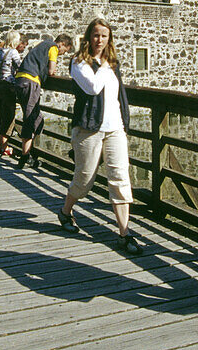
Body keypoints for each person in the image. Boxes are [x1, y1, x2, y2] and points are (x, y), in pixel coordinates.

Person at [57, 18, 142, 255]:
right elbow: (93, 87)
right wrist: (104, 67)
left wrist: (125, 122)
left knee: (120, 178)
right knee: (84, 181)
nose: (100, 40)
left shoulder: (112, 63)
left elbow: (118, 96)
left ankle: (125, 233)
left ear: (109, 38)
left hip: (114, 128)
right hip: (89, 128)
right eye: (96, 35)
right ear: (88, 37)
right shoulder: (78, 62)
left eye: (104, 36)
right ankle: (65, 211)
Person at [13, 32, 74, 168]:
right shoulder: (53, 47)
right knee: (30, 119)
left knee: (36, 118)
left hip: (21, 81)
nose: (62, 54)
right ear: (62, 44)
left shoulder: (42, 45)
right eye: (65, 50)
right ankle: (24, 156)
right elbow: (51, 70)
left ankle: (29, 153)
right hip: (30, 81)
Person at [0, 31, 26, 157]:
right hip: (8, 85)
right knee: (9, 116)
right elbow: (20, 67)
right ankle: (5, 147)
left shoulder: (1, 50)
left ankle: (1, 146)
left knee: (2, 114)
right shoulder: (13, 52)